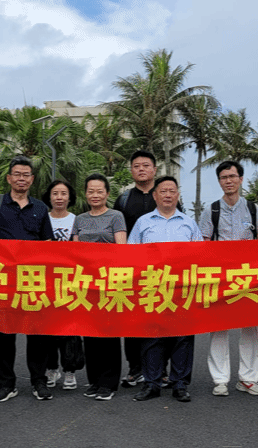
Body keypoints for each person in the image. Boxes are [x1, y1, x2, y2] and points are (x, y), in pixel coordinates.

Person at [0, 155, 55, 403]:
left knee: (38, 333)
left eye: (26, 175)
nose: (21, 179)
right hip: (3, 280)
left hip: (33, 280)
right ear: (9, 178)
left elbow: (48, 245)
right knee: (2, 333)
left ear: (32, 179)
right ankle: (5, 383)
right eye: (17, 175)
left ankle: (39, 381)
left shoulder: (40, 208)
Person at [199, 160, 258, 398]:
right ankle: (220, 380)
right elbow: (204, 245)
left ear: (241, 179)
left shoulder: (253, 209)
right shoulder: (211, 210)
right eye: (224, 177)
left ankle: (248, 379)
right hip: (220, 278)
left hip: (248, 277)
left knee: (249, 328)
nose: (228, 181)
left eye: (232, 176)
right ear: (219, 182)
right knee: (219, 329)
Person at [128, 176, 201, 403]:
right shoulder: (143, 222)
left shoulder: (189, 223)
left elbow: (200, 256)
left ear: (177, 195)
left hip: (181, 289)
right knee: (152, 337)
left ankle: (180, 384)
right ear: (155, 195)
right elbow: (131, 255)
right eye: (163, 191)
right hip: (152, 288)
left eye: (172, 191)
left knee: (182, 337)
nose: (168, 195)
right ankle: (152, 383)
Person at [72, 173, 127, 401]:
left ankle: (109, 383)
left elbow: (122, 249)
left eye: (99, 191)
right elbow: (74, 252)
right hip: (86, 284)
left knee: (109, 334)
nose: (95, 195)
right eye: (91, 191)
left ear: (107, 193)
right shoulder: (80, 219)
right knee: (90, 334)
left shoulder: (116, 216)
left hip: (109, 282)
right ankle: (94, 381)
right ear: (86, 194)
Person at [112, 150, 159, 386]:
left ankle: (159, 368)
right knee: (131, 320)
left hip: (160, 270)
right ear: (131, 171)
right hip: (131, 270)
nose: (141, 169)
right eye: (137, 166)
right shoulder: (123, 199)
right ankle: (135, 369)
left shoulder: (164, 195)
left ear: (154, 170)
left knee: (159, 319)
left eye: (146, 165)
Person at [43, 179, 83, 391]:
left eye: (63, 193)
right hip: (45, 281)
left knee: (69, 328)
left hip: (70, 281)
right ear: (49, 197)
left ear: (70, 197)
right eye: (55, 193)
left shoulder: (77, 220)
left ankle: (69, 370)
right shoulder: (42, 218)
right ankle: (51, 368)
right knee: (47, 328)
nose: (59, 197)